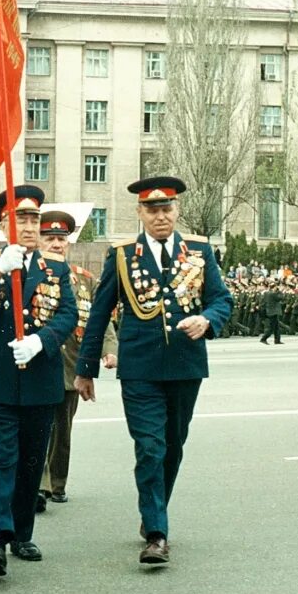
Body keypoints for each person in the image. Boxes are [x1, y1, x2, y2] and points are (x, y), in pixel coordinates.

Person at [75, 176, 232, 565]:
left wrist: (207, 320)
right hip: (140, 368)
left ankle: (153, 512)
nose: (160, 216)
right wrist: (85, 369)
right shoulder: (123, 255)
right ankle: (158, 532)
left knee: (173, 446)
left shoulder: (198, 251)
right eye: (152, 210)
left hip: (184, 364)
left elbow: (221, 299)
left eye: (167, 209)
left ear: (177, 210)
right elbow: (99, 314)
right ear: (140, 213)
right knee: (150, 446)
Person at [0, 185, 77, 577]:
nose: (29, 226)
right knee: (0, 459)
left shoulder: (55, 268)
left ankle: (22, 533)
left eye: (33, 220)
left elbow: (68, 314)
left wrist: (42, 341)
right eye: (20, 219)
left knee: (29, 462)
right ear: (5, 223)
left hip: (40, 379)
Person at [34, 211, 118, 513]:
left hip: (71, 364)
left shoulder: (83, 279)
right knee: (38, 426)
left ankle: (57, 483)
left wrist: (110, 348)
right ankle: (39, 485)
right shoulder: (31, 276)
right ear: (40, 241)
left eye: (61, 239)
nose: (56, 244)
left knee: (62, 428)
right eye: (50, 238)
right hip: (38, 362)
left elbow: (100, 318)